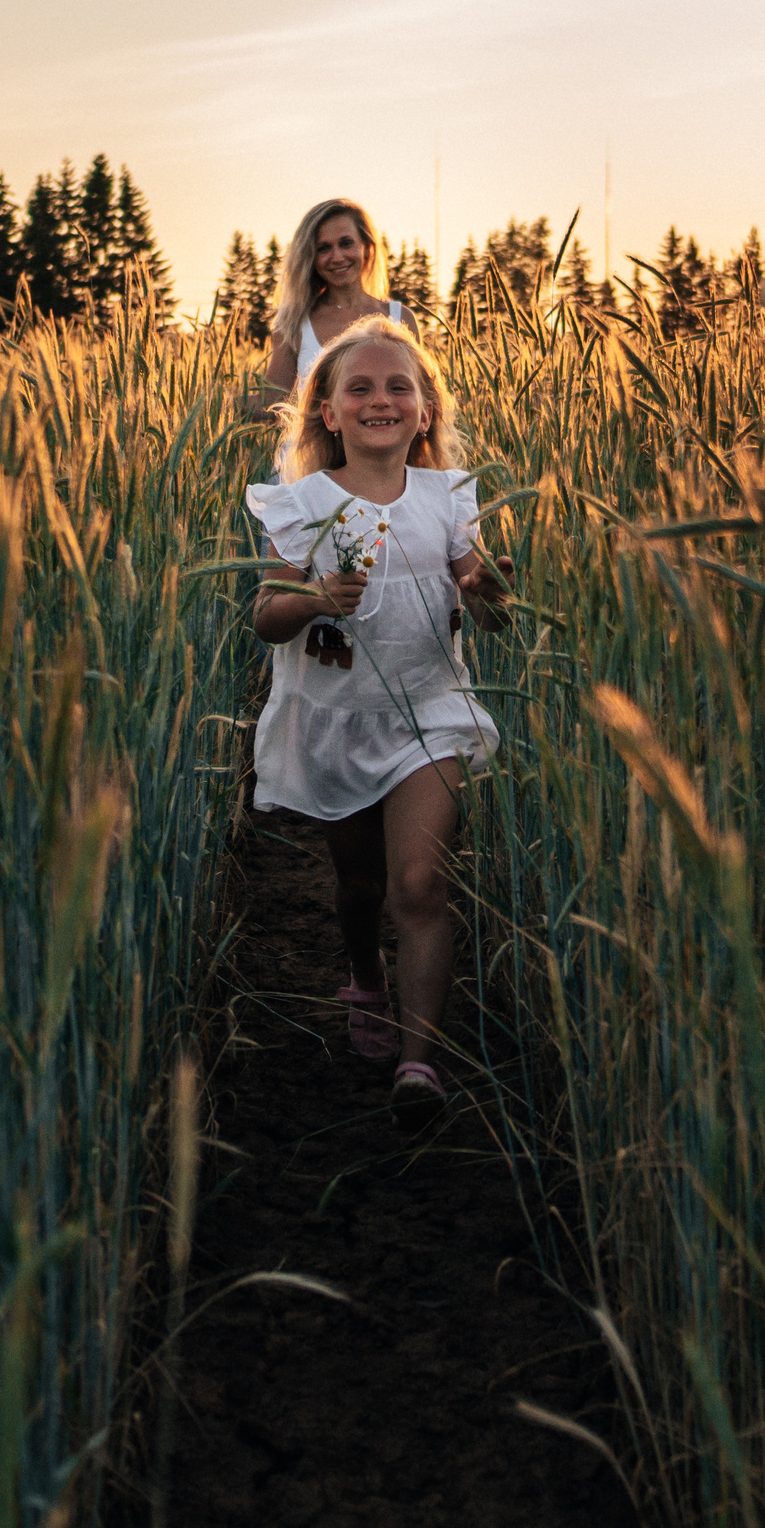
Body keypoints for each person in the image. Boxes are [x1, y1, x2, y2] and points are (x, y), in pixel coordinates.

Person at [245, 315, 508, 1130]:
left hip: (430, 710)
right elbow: (266, 614)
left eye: (400, 386)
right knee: (360, 885)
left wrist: (491, 588)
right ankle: (365, 974)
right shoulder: (305, 505)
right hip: (340, 717)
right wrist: (316, 598)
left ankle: (419, 1062)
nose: (381, 399)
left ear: (425, 410)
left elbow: (483, 591)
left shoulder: (449, 497)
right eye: (359, 387)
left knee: (419, 884)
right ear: (327, 411)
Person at [261, 198, 407, 402]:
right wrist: (212, 400)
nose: (337, 257)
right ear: (310, 257)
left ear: (366, 247)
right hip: (309, 436)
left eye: (346, 244)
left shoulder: (399, 318)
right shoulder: (294, 322)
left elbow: (420, 397)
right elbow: (272, 402)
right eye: (323, 248)